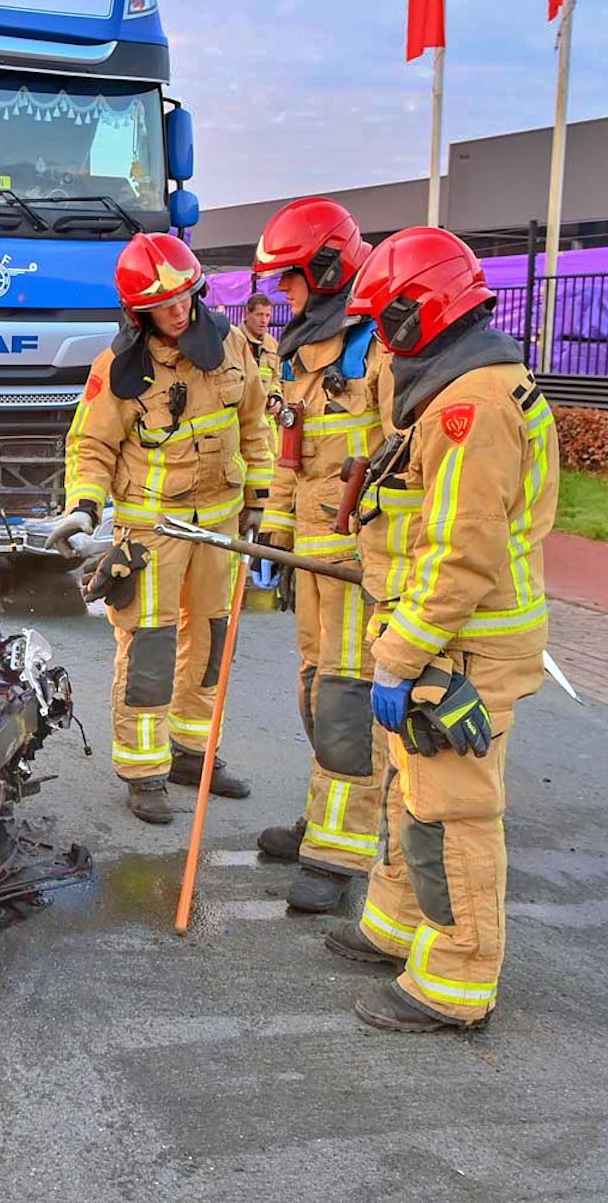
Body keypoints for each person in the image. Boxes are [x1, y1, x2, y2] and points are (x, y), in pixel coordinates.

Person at [322, 226, 559, 1033]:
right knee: (411, 792)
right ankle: (396, 928)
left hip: (464, 640)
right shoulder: (462, 382)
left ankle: (456, 983)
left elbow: (461, 551)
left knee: (452, 807)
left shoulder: (468, 405)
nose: (376, 345)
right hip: (446, 634)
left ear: (418, 313)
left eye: (382, 325)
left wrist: (397, 653)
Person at [50, 233, 274, 824]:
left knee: (210, 642)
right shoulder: (118, 370)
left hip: (221, 526)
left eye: (185, 296)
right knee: (149, 647)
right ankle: (144, 770)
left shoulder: (231, 345)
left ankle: (193, 755)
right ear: (138, 311)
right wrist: (84, 507)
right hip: (153, 532)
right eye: (164, 303)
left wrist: (264, 497)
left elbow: (254, 423)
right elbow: (92, 446)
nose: (180, 310)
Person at [247, 198, 387, 913]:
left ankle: (340, 854)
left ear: (328, 269)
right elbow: (290, 450)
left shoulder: (376, 346)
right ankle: (327, 818)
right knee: (314, 691)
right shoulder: (301, 349)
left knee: (345, 702)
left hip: (361, 567)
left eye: (292, 280)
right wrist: (272, 529)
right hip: (315, 564)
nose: (283, 294)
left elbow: (408, 461)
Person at [238, 293, 282, 455]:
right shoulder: (234, 340)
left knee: (269, 467)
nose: (264, 320)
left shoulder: (272, 344)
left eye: (268, 315)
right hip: (241, 420)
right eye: (259, 315)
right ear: (247, 314)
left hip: (266, 422)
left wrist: (276, 396)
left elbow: (276, 377)